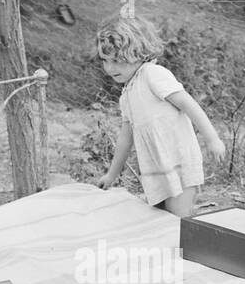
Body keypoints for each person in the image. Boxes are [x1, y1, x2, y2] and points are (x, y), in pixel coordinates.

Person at [94, 15, 225, 217]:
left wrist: (212, 139)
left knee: (178, 219)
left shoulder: (152, 74)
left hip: (178, 163)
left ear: (138, 53)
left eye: (117, 61)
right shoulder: (126, 95)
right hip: (155, 170)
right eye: (106, 60)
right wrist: (111, 175)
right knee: (162, 220)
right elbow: (125, 138)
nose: (110, 68)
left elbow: (188, 104)